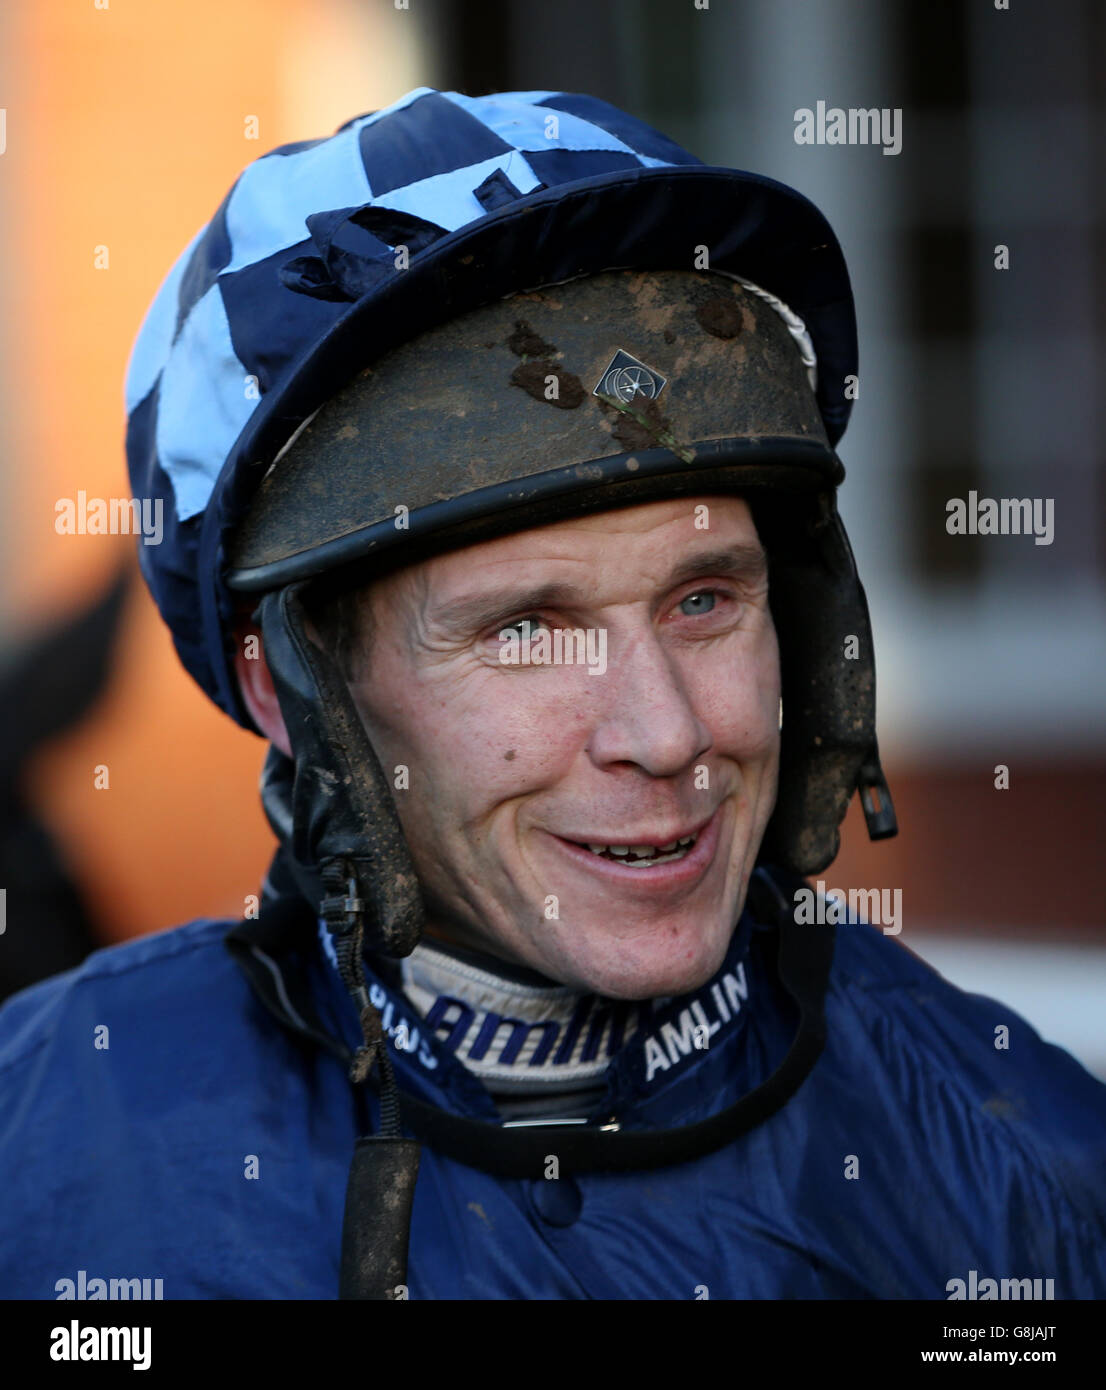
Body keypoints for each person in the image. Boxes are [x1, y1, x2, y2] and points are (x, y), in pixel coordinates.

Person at [1, 87, 1103, 1302]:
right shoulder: (41, 1165)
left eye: (702, 600)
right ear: (288, 693)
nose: (667, 732)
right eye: (526, 628)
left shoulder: (1028, 1184)